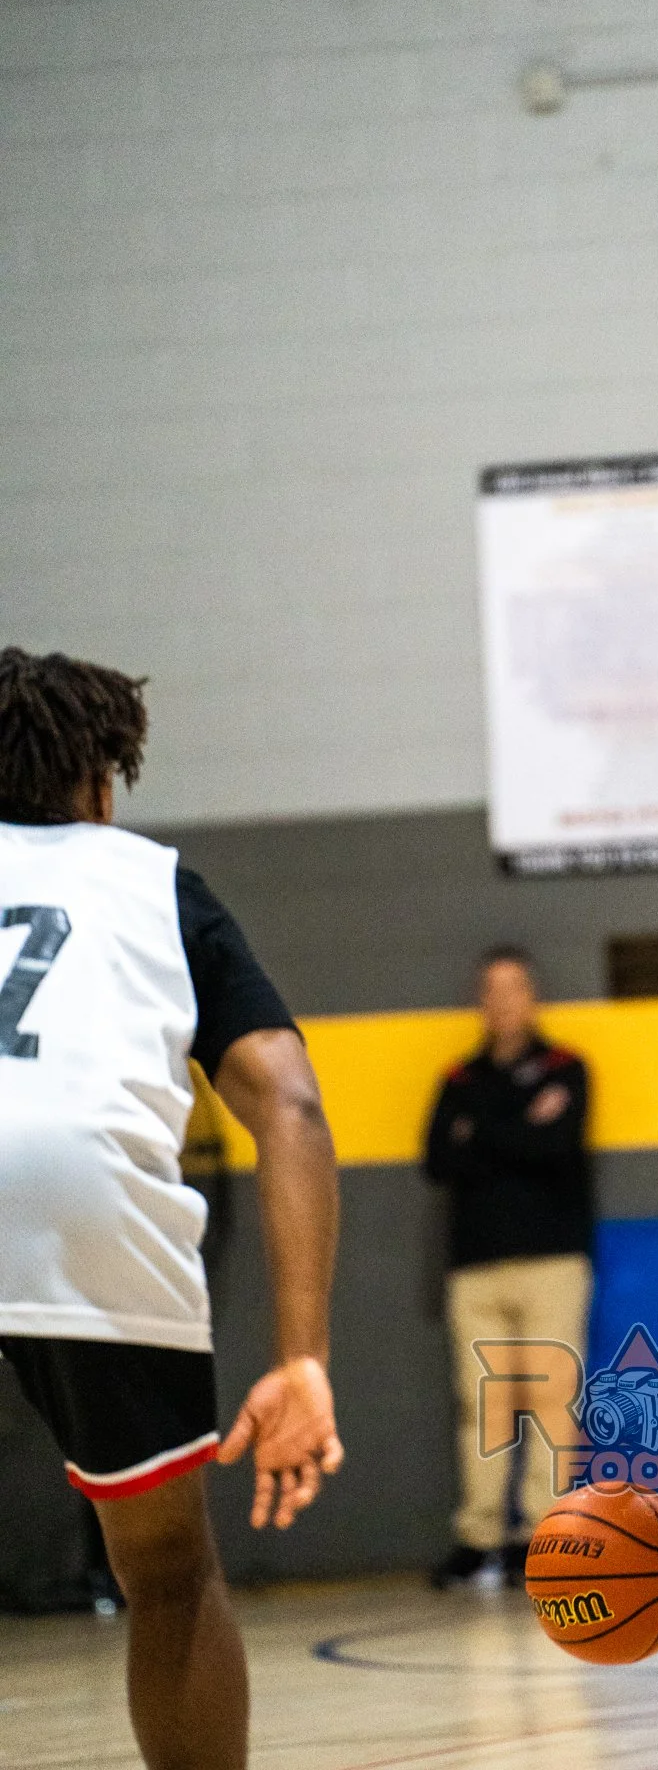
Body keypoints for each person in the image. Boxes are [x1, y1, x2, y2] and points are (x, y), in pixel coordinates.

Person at [0, 648, 343, 1770]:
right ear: (103, 782)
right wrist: (303, 1355)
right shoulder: (149, 879)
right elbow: (288, 1100)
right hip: (90, 1199)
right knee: (167, 1575)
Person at [424, 946, 593, 1586]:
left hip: (553, 1259)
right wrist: (519, 1125)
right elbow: (438, 1160)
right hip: (475, 1266)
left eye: (514, 988)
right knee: (482, 1405)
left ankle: (543, 1537)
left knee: (552, 1402)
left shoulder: (567, 1068)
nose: (503, 1001)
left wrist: (483, 1134)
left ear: (532, 996)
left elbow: (556, 1147)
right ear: (480, 1001)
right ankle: (480, 1537)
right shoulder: (457, 1080)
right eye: (491, 989)